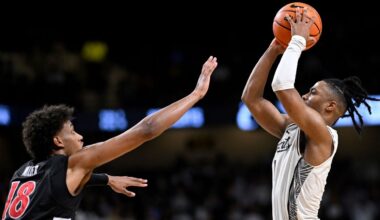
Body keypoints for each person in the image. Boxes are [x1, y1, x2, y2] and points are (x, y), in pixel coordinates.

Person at [1, 56, 218, 220]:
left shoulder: (20, 173)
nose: (81, 136)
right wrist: (196, 94)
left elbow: (56, 184)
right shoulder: (74, 163)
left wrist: (106, 179)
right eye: (73, 131)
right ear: (58, 141)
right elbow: (147, 129)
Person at [241, 8, 378, 219]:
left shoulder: (322, 134)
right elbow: (251, 99)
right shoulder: (291, 127)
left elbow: (282, 86)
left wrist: (297, 41)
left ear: (330, 107)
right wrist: (273, 49)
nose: (304, 96)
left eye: (312, 92)